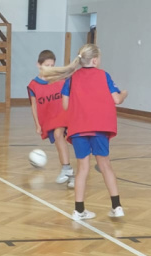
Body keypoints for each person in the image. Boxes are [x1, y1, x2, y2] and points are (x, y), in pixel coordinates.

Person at [41, 43, 128, 221]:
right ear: (94, 60)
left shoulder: (71, 79)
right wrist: (124, 93)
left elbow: (65, 105)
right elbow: (117, 99)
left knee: (83, 169)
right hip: (99, 128)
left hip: (79, 128)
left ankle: (79, 210)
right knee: (105, 166)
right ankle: (117, 207)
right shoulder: (104, 75)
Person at [27, 50, 72, 185]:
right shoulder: (33, 85)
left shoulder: (61, 80)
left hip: (64, 116)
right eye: (47, 65)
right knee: (59, 142)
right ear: (38, 65)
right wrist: (37, 124)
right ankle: (69, 172)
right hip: (50, 120)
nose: (50, 68)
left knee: (59, 135)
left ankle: (68, 170)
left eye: (52, 65)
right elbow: (34, 106)